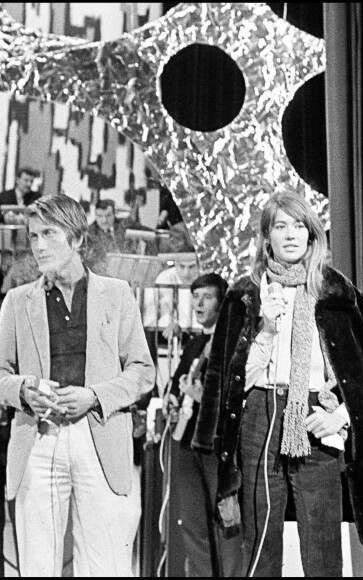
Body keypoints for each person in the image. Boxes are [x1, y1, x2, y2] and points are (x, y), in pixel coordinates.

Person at [193, 192, 363, 577]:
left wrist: (341, 416)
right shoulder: (245, 294)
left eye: (299, 225)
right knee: (260, 548)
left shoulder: (337, 293)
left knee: (323, 549)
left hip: (315, 420)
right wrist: (266, 330)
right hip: (261, 418)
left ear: (312, 235)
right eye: (280, 226)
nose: (290, 235)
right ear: (266, 238)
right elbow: (231, 381)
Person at [0, 194, 155, 577]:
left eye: (48, 234)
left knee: (105, 566)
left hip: (99, 436)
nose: (37, 245)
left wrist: (94, 396)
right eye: (33, 236)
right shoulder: (17, 302)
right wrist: (22, 391)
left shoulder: (116, 294)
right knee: (37, 566)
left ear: (77, 239)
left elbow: (143, 370)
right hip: (38, 439)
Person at [164, 273, 243, 576]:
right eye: (195, 296)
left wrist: (204, 397)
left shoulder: (232, 345)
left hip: (216, 447)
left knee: (226, 523)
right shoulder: (196, 342)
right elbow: (176, 382)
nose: (198, 304)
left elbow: (239, 396)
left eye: (206, 297)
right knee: (193, 524)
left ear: (222, 303)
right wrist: (173, 399)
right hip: (186, 444)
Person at [85, 198, 156, 274]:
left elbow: (153, 235)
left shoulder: (125, 225)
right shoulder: (89, 233)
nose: (104, 220)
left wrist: (148, 257)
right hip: (102, 275)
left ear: (114, 214)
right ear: (95, 215)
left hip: (129, 271)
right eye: (99, 216)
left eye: (108, 215)